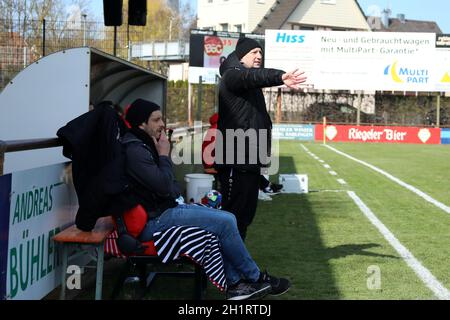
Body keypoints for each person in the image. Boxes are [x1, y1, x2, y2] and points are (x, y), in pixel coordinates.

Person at [121, 98, 291, 300]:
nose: (162, 124)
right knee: (226, 220)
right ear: (142, 123)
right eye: (156, 120)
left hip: (164, 210)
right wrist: (165, 156)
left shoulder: (144, 145)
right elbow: (166, 186)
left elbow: (170, 188)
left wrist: (167, 179)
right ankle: (254, 279)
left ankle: (236, 284)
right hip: (154, 221)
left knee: (225, 217)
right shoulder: (135, 149)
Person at [216, 37, 307, 240]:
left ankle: (236, 266)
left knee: (244, 218)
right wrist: (280, 76)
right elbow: (253, 77)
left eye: (260, 53)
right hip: (235, 158)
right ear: (241, 56)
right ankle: (224, 268)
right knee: (232, 218)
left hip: (249, 160)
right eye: (254, 52)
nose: (259, 56)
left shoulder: (247, 81)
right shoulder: (233, 76)